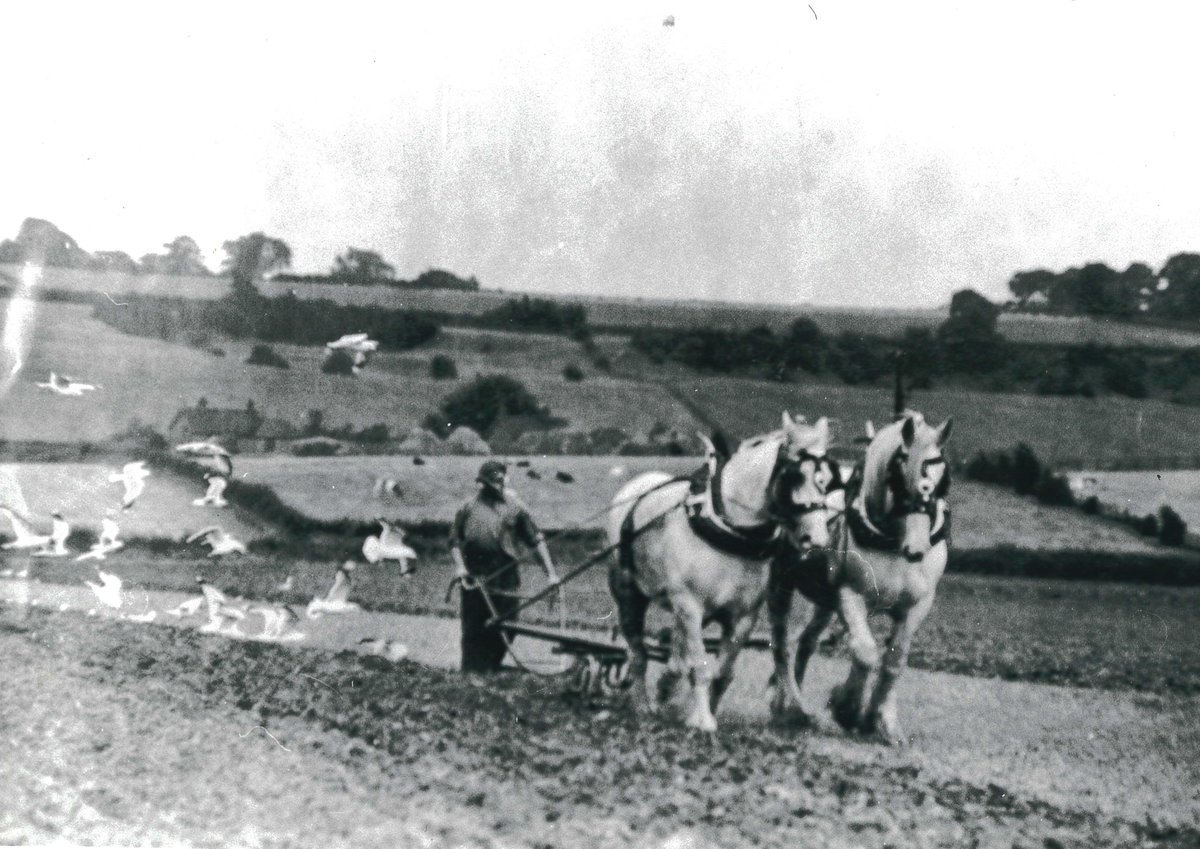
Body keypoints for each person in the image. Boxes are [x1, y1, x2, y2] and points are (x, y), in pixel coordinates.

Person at [450, 459, 559, 673]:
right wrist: (460, 567)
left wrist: (551, 574)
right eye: (490, 483)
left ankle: (491, 668)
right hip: (476, 576)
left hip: (506, 575)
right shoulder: (467, 508)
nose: (495, 487)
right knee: (473, 629)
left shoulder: (516, 509)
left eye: (499, 482)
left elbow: (536, 541)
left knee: (507, 626)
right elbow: (454, 541)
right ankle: (471, 675)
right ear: (481, 484)